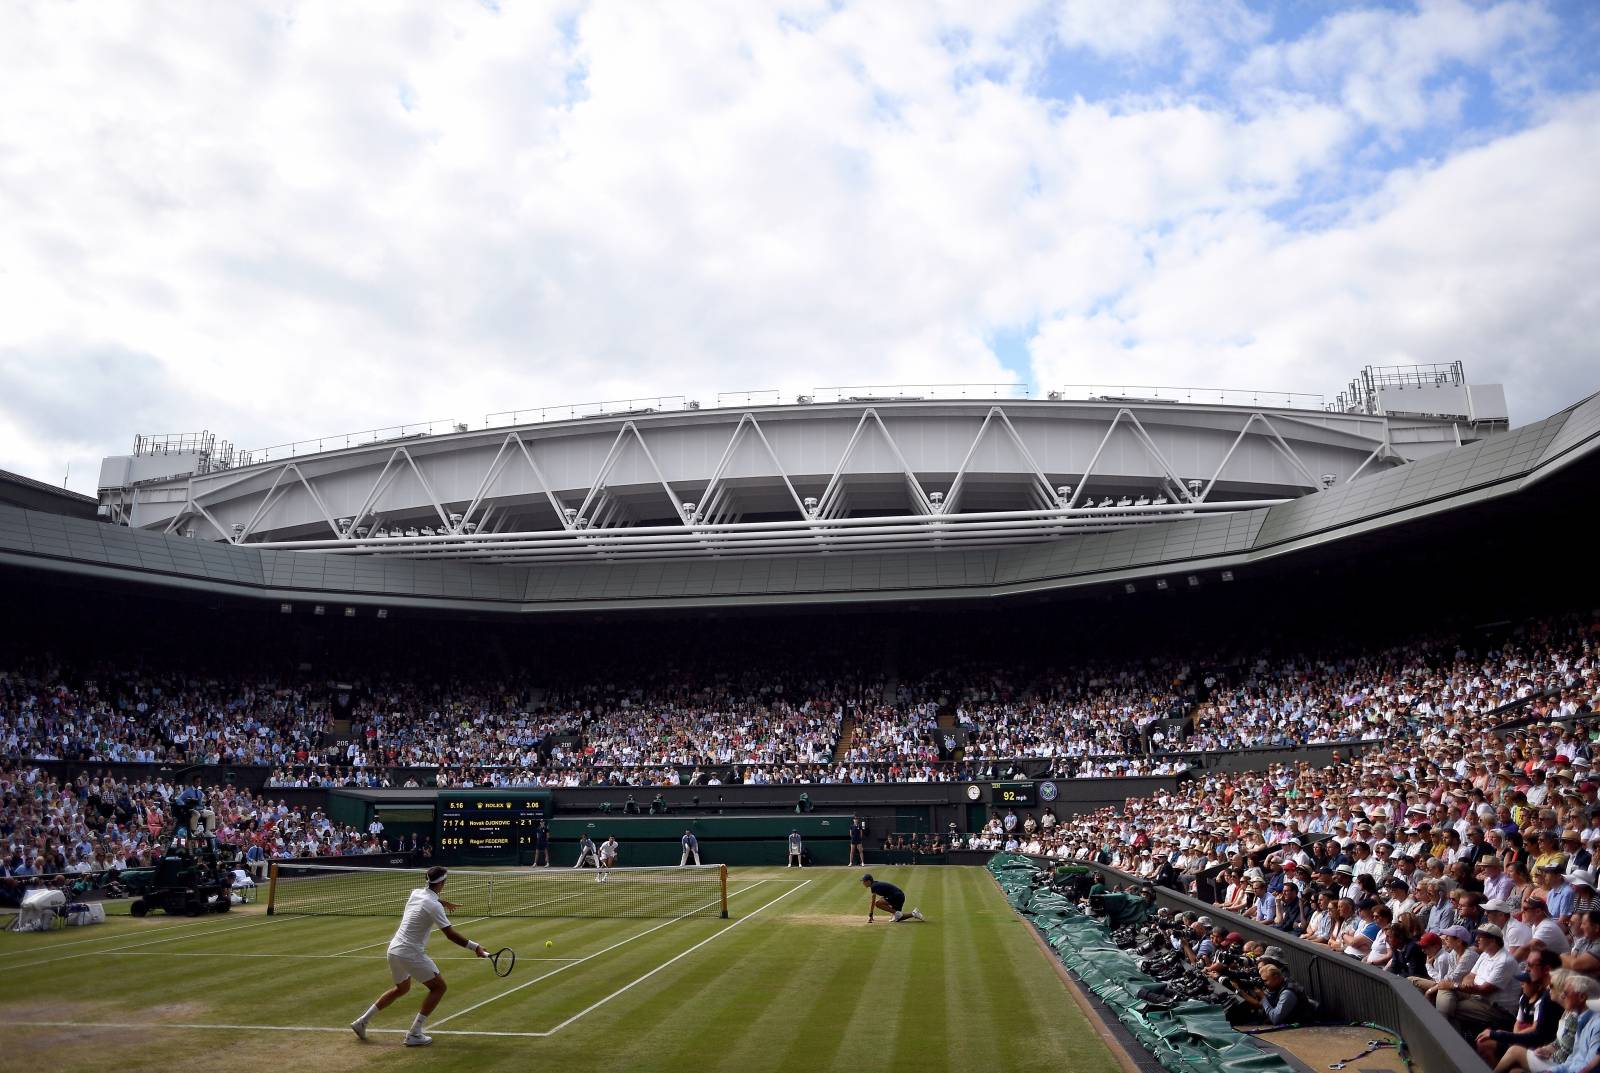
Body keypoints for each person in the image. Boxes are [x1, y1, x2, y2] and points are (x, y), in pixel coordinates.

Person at [350, 865, 489, 1047]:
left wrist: (443, 902)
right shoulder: (433, 906)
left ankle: (361, 1022)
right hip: (410, 952)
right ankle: (414, 1033)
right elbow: (450, 934)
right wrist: (475, 947)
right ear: (443, 883)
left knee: (401, 989)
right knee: (439, 987)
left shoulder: (416, 893)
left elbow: (429, 901)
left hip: (394, 950)